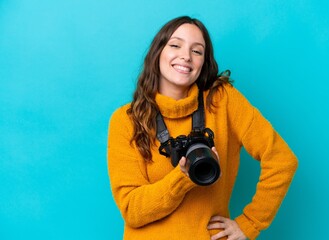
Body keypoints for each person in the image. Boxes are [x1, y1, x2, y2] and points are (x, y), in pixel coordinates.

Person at [107, 16, 298, 240]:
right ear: (158, 52)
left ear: (203, 62)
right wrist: (183, 177)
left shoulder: (222, 100)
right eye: (175, 45)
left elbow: (282, 160)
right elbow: (132, 210)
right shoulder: (126, 120)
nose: (186, 56)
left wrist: (250, 223)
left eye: (197, 51)